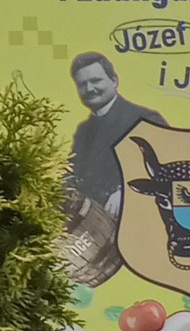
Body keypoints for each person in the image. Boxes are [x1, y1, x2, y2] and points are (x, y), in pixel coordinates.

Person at [67, 52, 160, 218]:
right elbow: (72, 174)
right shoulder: (83, 131)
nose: (89, 89)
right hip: (92, 224)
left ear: (114, 81)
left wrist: (126, 191)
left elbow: (167, 169)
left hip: (138, 220)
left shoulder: (145, 120)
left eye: (96, 81)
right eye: (82, 84)